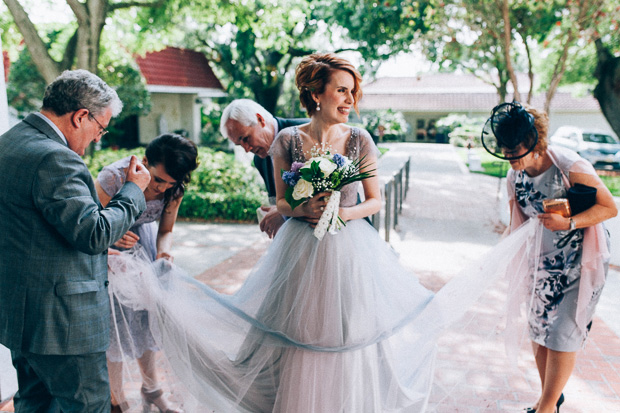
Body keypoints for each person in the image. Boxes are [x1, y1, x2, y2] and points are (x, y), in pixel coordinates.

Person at [0, 70, 150, 412]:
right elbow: (93, 233)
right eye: (100, 128)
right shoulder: (56, 157)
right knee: (87, 406)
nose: (98, 138)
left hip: (20, 315)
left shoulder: (8, 143)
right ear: (81, 115)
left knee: (34, 403)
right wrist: (132, 192)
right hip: (64, 323)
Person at [488, 102, 617, 413]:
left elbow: (609, 208)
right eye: (505, 151)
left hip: (578, 262)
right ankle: (549, 399)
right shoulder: (514, 175)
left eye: (515, 152)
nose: (510, 158)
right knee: (540, 329)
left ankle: (545, 409)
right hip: (540, 262)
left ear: (536, 143)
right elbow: (515, 222)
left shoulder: (569, 166)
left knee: (561, 333)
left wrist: (568, 222)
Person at [95, 133, 198, 412]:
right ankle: (116, 400)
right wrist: (112, 239)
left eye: (170, 183)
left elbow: (165, 231)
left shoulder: (174, 189)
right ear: (144, 162)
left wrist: (164, 252)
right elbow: (88, 226)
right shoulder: (113, 178)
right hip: (109, 254)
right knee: (114, 327)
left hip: (147, 249)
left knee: (147, 322)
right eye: (158, 179)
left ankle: (151, 390)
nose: (163, 188)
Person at [220, 99, 306, 238]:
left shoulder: (306, 131)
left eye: (246, 138)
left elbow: (337, 194)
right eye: (239, 144)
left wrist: (284, 212)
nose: (247, 149)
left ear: (260, 119)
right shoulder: (260, 160)